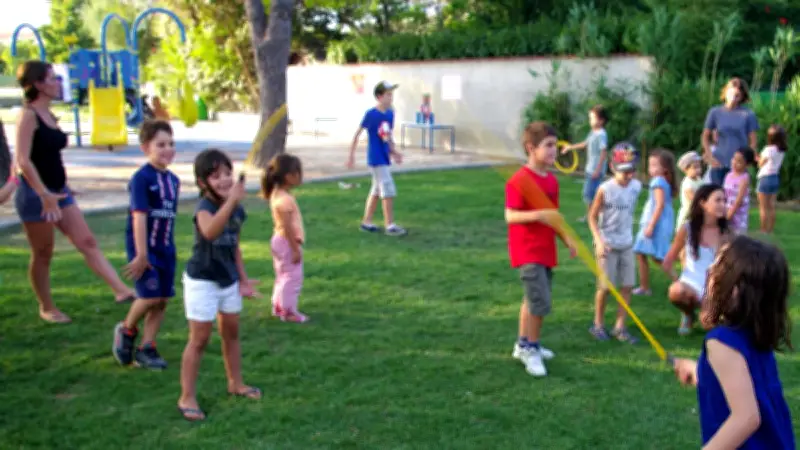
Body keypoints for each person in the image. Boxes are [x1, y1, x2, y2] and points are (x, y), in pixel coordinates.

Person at [13, 60, 135, 324]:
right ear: (37, 84)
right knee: (43, 253)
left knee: (87, 242)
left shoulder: (50, 115)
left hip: (59, 192)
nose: (58, 83)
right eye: (52, 78)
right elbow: (23, 160)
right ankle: (46, 307)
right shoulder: (28, 116)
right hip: (36, 196)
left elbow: (49, 157)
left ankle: (122, 291)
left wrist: (63, 186)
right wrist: (44, 193)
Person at [673, 236, 795, 449]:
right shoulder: (754, 333)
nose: (710, 269)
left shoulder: (721, 342)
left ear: (737, 289)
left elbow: (746, 418)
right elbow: (747, 384)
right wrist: (699, 372)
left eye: (720, 264)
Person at [177, 149, 262, 422]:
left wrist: (244, 280)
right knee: (200, 338)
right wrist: (231, 202)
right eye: (216, 177)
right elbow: (211, 231)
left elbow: (234, 247)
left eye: (227, 173)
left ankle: (235, 383)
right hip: (202, 280)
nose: (224, 180)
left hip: (227, 279)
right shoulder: (205, 207)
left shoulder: (237, 209)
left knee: (231, 333)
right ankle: (186, 396)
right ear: (203, 183)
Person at [506, 121, 577, 377]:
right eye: (547, 146)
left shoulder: (551, 182)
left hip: (546, 251)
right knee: (540, 302)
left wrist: (566, 238)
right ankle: (531, 350)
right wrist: (538, 215)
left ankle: (522, 344)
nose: (553, 152)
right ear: (530, 148)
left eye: (555, 146)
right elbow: (510, 216)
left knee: (531, 298)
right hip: (528, 252)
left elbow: (554, 217)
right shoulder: (519, 180)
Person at [112, 120, 179, 370]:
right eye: (160, 144)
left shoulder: (173, 180)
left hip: (166, 249)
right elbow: (139, 216)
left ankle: (147, 347)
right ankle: (127, 330)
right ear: (145, 148)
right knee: (149, 297)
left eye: (171, 144)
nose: (167, 149)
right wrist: (141, 254)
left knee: (162, 300)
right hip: (146, 250)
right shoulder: (142, 178)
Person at [587, 142, 642, 343]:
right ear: (612, 167)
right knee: (605, 287)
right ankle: (598, 325)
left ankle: (620, 327)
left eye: (632, 171)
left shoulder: (636, 187)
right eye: (624, 172)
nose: (629, 176)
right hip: (607, 244)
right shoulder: (605, 189)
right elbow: (592, 216)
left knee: (627, 286)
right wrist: (599, 242)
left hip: (626, 243)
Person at [661, 184, 728, 335]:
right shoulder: (687, 228)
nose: (723, 205)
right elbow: (668, 262)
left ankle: (716, 311)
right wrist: (678, 280)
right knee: (676, 291)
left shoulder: (727, 234)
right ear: (703, 203)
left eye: (724, 201)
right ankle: (688, 314)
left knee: (708, 324)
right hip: (690, 284)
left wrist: (714, 294)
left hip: (714, 287)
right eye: (718, 200)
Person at [346, 81, 407, 236]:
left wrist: (394, 152)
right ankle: (390, 225)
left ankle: (367, 222)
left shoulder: (390, 114)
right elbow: (357, 134)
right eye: (387, 95)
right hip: (376, 158)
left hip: (384, 157)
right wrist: (351, 156)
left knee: (376, 190)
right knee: (387, 189)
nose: (390, 98)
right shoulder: (371, 114)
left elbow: (387, 136)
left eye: (391, 95)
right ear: (379, 97)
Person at [263, 153, 308, 323]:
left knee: (282, 275)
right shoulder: (284, 200)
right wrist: (295, 249)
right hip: (286, 242)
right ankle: (288, 311)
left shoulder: (277, 194)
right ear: (289, 176)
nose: (300, 177)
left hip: (279, 240)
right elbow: (288, 226)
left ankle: (279, 306)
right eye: (298, 173)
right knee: (293, 277)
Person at [632, 149, 676, 296]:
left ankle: (647, 287)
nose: (651, 168)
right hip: (661, 223)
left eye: (654, 165)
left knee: (654, 256)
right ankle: (646, 287)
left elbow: (659, 205)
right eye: (650, 165)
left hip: (656, 223)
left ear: (665, 169)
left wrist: (651, 225)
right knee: (653, 256)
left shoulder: (657, 181)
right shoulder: (663, 181)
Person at [701, 77, 759, 186]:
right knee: (718, 195)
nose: (734, 97)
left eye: (737, 95)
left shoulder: (748, 114)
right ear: (726, 92)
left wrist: (748, 160)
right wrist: (710, 156)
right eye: (732, 93)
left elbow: (753, 141)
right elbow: (705, 136)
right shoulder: (715, 112)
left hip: (739, 163)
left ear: (742, 97)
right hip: (719, 161)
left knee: (734, 196)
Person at [562, 105, 609, 222]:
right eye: (590, 118)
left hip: (595, 171)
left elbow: (604, 152)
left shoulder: (601, 134)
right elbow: (584, 144)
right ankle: (593, 216)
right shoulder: (593, 132)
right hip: (590, 169)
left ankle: (591, 217)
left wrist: (597, 170)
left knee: (589, 194)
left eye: (593, 118)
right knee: (592, 194)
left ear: (601, 121)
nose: (590, 120)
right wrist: (570, 147)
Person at [756, 125, 787, 234]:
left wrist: (757, 158)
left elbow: (760, 164)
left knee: (763, 207)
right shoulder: (782, 150)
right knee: (771, 206)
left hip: (765, 178)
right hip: (775, 178)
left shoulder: (768, 149)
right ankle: (770, 230)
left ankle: (763, 230)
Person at [724, 147, 755, 235]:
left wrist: (729, 215)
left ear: (747, 165)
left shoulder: (744, 178)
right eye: (734, 158)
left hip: (738, 213)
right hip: (727, 209)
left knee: (738, 238)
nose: (734, 162)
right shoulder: (728, 175)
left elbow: (738, 200)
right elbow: (725, 194)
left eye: (739, 161)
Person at [675, 151, 704, 232]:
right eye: (695, 167)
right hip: (688, 213)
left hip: (698, 212)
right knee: (686, 233)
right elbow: (693, 198)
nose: (698, 170)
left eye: (699, 167)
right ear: (685, 169)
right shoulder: (687, 183)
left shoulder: (699, 179)